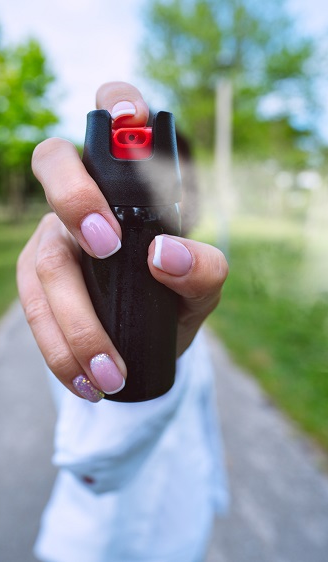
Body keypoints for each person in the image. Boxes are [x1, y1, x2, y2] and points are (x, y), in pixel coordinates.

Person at [16, 82, 229, 562]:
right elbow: (98, 456)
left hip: (185, 536)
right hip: (96, 549)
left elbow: (200, 425)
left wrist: (215, 491)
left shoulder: (181, 285)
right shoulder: (81, 287)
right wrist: (64, 238)